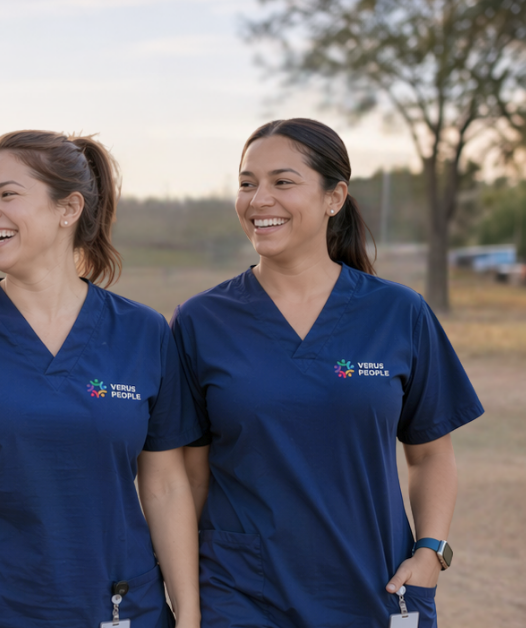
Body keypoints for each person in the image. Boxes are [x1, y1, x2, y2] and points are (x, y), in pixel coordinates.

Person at [0, 130, 201, 628]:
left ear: (68, 208)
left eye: (8, 194)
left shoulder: (144, 333)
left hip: (113, 607)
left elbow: (165, 487)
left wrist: (189, 615)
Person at [174, 118, 483, 628]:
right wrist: (185, 598)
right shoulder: (201, 321)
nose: (258, 200)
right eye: (247, 183)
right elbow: (189, 476)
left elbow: (430, 456)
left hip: (373, 586)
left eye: (283, 182)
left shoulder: (399, 313)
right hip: (241, 592)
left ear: (334, 197)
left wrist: (430, 553)